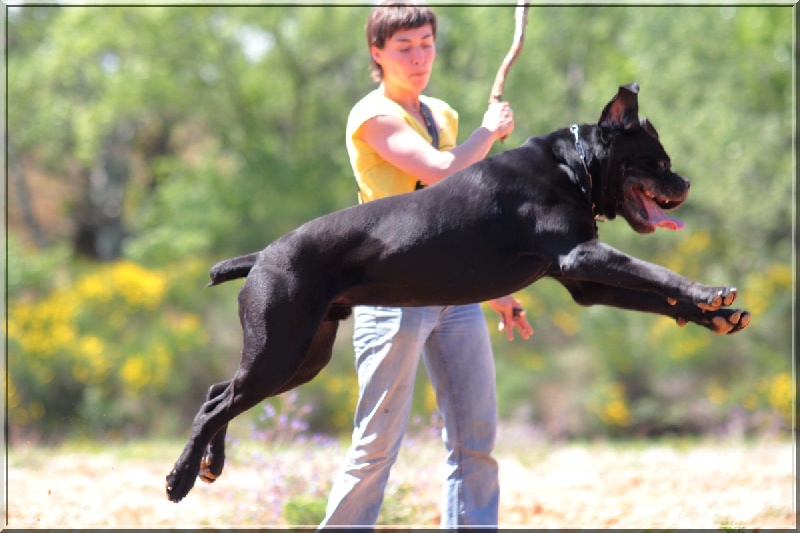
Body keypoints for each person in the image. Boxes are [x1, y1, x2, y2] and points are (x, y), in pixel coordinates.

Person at [320, 1, 533, 527]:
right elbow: (441, 173)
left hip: (453, 294)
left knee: (475, 441)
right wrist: (488, 134)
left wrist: (494, 288)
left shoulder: (441, 113)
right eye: (403, 48)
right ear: (377, 53)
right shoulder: (371, 116)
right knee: (377, 447)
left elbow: (452, 218)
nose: (419, 58)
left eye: (426, 44)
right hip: (391, 292)